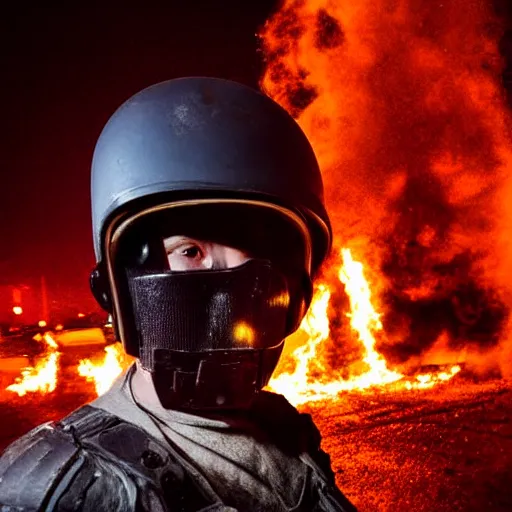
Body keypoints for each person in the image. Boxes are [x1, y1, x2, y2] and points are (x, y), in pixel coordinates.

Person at [0, 77, 356, 511]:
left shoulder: (285, 434)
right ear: (117, 287)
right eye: (190, 251)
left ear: (297, 297)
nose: (230, 285)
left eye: (255, 259)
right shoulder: (62, 492)